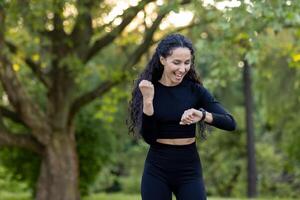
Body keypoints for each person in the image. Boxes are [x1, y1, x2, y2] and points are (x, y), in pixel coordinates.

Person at [127, 33, 236, 200]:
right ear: (163, 60)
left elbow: (230, 123)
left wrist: (202, 114)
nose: (182, 69)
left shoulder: (195, 90)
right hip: (157, 168)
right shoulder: (149, 89)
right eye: (176, 62)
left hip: (188, 169)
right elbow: (149, 137)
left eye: (187, 63)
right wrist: (148, 101)